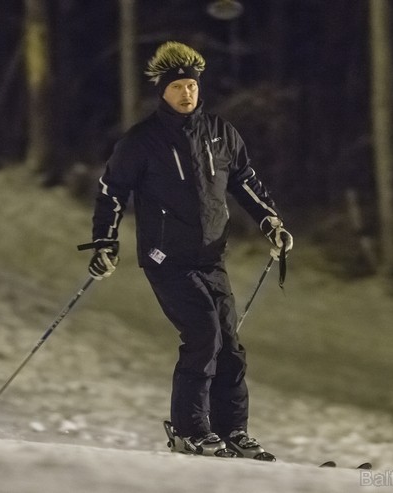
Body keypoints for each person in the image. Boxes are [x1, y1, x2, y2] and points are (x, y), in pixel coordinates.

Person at [87, 41, 293, 460]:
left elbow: (245, 181)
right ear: (162, 91)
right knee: (203, 335)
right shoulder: (142, 141)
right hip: (166, 258)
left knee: (230, 347)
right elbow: (112, 191)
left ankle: (233, 431)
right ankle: (189, 431)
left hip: (210, 257)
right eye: (178, 86)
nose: (187, 93)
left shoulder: (221, 134)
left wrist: (271, 221)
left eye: (192, 86)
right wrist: (106, 241)